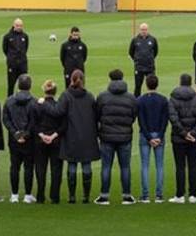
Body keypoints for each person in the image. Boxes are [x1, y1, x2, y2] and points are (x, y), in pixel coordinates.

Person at [95, 67, 138, 204]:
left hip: (107, 136)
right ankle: (126, 195)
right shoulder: (130, 97)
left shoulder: (103, 96)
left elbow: (97, 115)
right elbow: (133, 116)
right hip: (125, 136)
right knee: (125, 167)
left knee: (106, 166)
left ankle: (104, 196)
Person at [59, 69, 100, 204]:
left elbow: (59, 113)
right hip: (87, 135)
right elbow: (96, 116)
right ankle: (86, 196)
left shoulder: (66, 96)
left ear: (71, 80)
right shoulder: (89, 96)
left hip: (71, 134)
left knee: (72, 165)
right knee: (86, 165)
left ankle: (72, 196)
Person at [168, 72, 196, 203]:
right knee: (193, 166)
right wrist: (194, 133)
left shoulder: (173, 99)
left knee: (180, 166)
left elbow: (173, 118)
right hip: (195, 138)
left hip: (178, 138)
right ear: (191, 83)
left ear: (180, 82)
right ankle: (193, 194)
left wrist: (184, 134)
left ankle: (180, 195)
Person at [3, 73, 37, 203]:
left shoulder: (9, 100)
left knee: (14, 166)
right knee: (28, 166)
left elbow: (6, 119)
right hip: (29, 140)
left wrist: (16, 134)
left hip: (14, 139)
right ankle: (27, 195)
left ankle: (14, 195)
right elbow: (34, 122)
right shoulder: (33, 101)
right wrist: (25, 134)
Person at [33, 79, 66, 204]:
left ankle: (40, 195)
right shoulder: (59, 107)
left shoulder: (37, 105)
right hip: (56, 140)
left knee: (40, 169)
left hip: (40, 140)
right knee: (56, 169)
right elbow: (64, 125)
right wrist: (53, 136)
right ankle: (54, 196)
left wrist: (42, 135)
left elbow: (33, 123)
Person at [138, 73, 169, 203]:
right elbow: (165, 120)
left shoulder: (141, 100)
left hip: (146, 135)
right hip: (158, 134)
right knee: (159, 165)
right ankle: (159, 195)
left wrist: (149, 137)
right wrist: (160, 136)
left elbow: (141, 120)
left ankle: (145, 195)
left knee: (145, 165)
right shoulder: (163, 99)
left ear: (146, 84)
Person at [129, 23, 159, 97]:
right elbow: (131, 52)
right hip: (139, 67)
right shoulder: (135, 40)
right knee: (138, 86)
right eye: (142, 30)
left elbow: (155, 51)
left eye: (145, 30)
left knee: (152, 85)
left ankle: (152, 98)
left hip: (150, 67)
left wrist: (150, 59)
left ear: (148, 30)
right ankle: (136, 100)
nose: (144, 31)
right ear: (140, 30)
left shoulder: (153, 39)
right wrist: (136, 59)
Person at [3, 19, 30, 97]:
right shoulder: (7, 37)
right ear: (13, 25)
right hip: (12, 64)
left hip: (22, 64)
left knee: (24, 84)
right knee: (11, 85)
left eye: (21, 26)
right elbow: (5, 49)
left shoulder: (25, 36)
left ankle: (24, 99)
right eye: (17, 25)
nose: (19, 27)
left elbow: (26, 48)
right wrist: (11, 58)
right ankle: (9, 100)